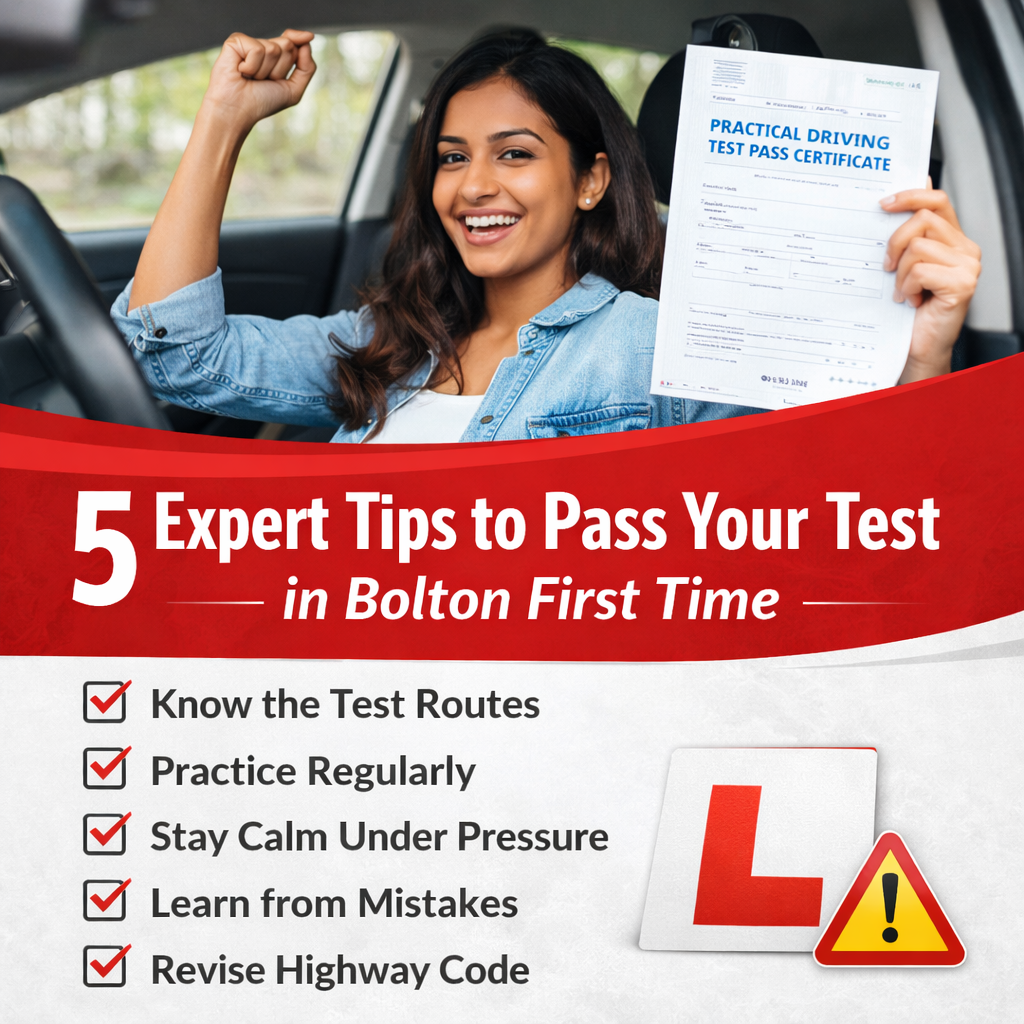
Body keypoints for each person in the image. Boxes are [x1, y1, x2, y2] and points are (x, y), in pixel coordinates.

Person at [112, 29, 981, 442]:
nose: (475, 185)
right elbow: (179, 355)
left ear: (592, 180)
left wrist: (921, 361)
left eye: (515, 154)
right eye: (452, 158)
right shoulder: (383, 342)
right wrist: (224, 120)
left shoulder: (662, 347)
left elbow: (840, 499)